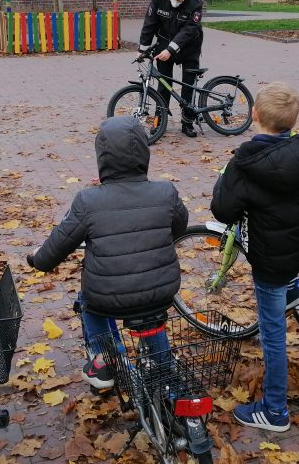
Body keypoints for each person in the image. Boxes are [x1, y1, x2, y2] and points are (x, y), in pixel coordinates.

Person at [211, 82, 299, 432]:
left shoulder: (246, 161)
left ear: (254, 115)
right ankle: (295, 287)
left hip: (268, 260)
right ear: (294, 120)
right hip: (298, 248)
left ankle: (275, 409)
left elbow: (222, 210)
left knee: (272, 335)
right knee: (286, 279)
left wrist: (226, 181)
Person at [26, 116, 188, 389]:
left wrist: (35, 257)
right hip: (162, 290)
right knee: (151, 310)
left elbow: (47, 258)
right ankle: (163, 366)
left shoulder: (88, 201)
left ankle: (107, 359)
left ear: (102, 156)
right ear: (144, 151)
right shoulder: (166, 192)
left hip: (108, 298)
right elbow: (179, 228)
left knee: (88, 299)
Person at [139, 0, 204, 137]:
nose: (175, 1)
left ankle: (187, 123)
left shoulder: (195, 2)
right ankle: (160, 121)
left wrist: (171, 49)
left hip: (189, 48)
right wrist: (142, 49)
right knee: (163, 85)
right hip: (163, 47)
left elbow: (190, 30)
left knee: (188, 85)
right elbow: (150, 23)